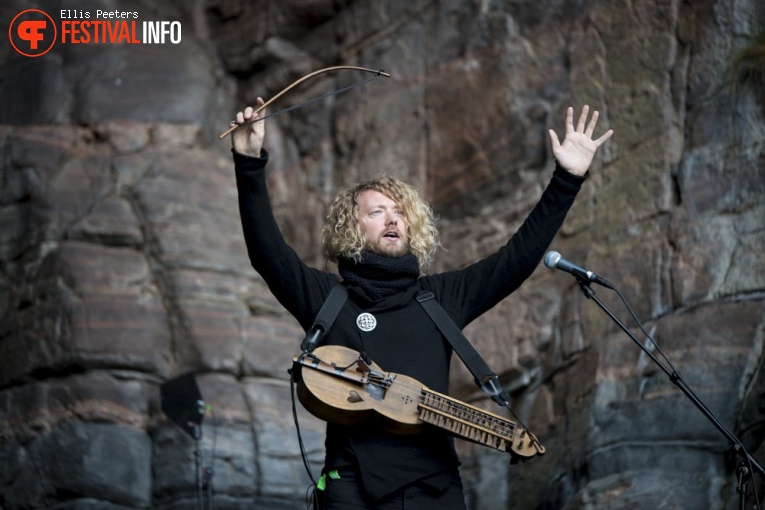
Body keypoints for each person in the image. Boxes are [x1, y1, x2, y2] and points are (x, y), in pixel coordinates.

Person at [230, 97, 613, 509]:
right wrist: (249, 163)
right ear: (351, 226)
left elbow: (516, 259)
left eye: (400, 212)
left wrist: (567, 179)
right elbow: (267, 253)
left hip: (432, 488)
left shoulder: (439, 298)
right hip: (348, 488)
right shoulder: (327, 298)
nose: (393, 219)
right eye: (377, 211)